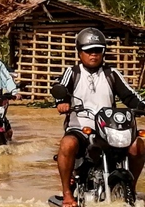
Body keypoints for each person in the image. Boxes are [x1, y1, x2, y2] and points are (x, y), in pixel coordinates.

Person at [55, 27, 145, 207]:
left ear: (103, 52)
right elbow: (60, 91)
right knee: (67, 144)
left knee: (138, 145)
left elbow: (130, 96)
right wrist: (62, 102)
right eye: (88, 51)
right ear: (80, 52)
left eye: (97, 50)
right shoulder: (72, 73)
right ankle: (67, 194)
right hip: (80, 127)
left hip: (109, 128)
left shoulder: (112, 74)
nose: (93, 55)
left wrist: (142, 106)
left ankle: (131, 190)